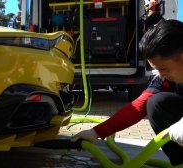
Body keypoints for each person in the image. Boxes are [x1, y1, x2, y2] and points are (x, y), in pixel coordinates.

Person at [71, 19, 183, 166]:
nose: (160, 75)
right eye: (156, 69)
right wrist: (96, 132)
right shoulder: (165, 78)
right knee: (156, 103)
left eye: (163, 68)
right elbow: (137, 107)